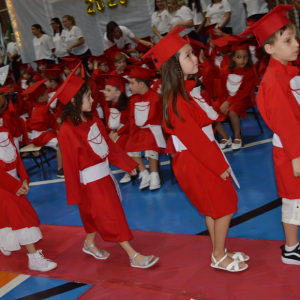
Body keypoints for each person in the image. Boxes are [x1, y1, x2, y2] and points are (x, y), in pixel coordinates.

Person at [144, 26, 249, 272]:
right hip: (197, 160)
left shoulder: (188, 92)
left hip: (203, 154)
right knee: (224, 207)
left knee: (215, 207)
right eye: (188, 55)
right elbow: (194, 140)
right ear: (174, 66)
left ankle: (219, 250)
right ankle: (218, 255)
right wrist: (219, 165)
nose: (195, 58)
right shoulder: (176, 101)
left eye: (193, 53)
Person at [50, 63, 159, 269]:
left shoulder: (94, 120)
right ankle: (132, 255)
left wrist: (127, 164)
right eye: (88, 97)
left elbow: (109, 146)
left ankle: (89, 244)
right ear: (74, 101)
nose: (93, 100)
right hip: (90, 183)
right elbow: (71, 165)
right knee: (110, 216)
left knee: (95, 217)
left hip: (105, 176)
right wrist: (75, 193)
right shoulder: (66, 130)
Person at [240, 5, 300, 265]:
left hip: (294, 146)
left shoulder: (287, 71)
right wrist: (296, 156)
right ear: (269, 48)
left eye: (296, 37)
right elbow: (286, 123)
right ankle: (291, 248)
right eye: (288, 40)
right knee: (293, 201)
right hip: (290, 151)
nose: (296, 44)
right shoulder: (274, 81)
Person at [0, 126, 57, 271]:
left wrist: (23, 177)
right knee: (22, 218)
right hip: (4, 185)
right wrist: (13, 186)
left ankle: (5, 241)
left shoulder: (5, 130)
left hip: (13, 182)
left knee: (11, 217)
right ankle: (33, 259)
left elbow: (16, 156)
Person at [126, 66, 166, 190]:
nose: (129, 87)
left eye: (132, 83)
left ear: (142, 84)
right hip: (139, 131)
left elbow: (163, 118)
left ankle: (155, 175)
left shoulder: (157, 97)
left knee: (150, 145)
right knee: (130, 145)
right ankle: (144, 173)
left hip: (155, 131)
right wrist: (133, 135)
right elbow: (132, 121)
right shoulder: (133, 101)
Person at [213, 38, 256, 150]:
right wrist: (222, 102)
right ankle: (226, 137)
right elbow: (222, 89)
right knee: (211, 111)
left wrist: (228, 102)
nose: (242, 60)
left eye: (245, 57)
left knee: (232, 111)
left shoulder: (250, 72)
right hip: (227, 97)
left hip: (243, 99)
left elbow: (245, 92)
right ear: (232, 58)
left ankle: (238, 137)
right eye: (239, 57)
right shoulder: (225, 71)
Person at [22, 80, 64, 178]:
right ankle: (60, 169)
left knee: (63, 140)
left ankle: (65, 166)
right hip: (41, 136)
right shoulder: (40, 109)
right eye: (45, 94)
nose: (48, 96)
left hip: (44, 134)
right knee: (61, 143)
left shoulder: (41, 107)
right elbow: (43, 125)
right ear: (40, 97)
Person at [103, 75, 132, 183]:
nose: (105, 92)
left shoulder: (127, 105)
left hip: (127, 132)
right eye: (105, 89)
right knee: (104, 146)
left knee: (118, 145)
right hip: (115, 132)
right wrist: (111, 132)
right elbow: (108, 123)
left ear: (118, 93)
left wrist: (118, 133)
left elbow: (130, 123)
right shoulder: (107, 106)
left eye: (108, 90)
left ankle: (129, 171)